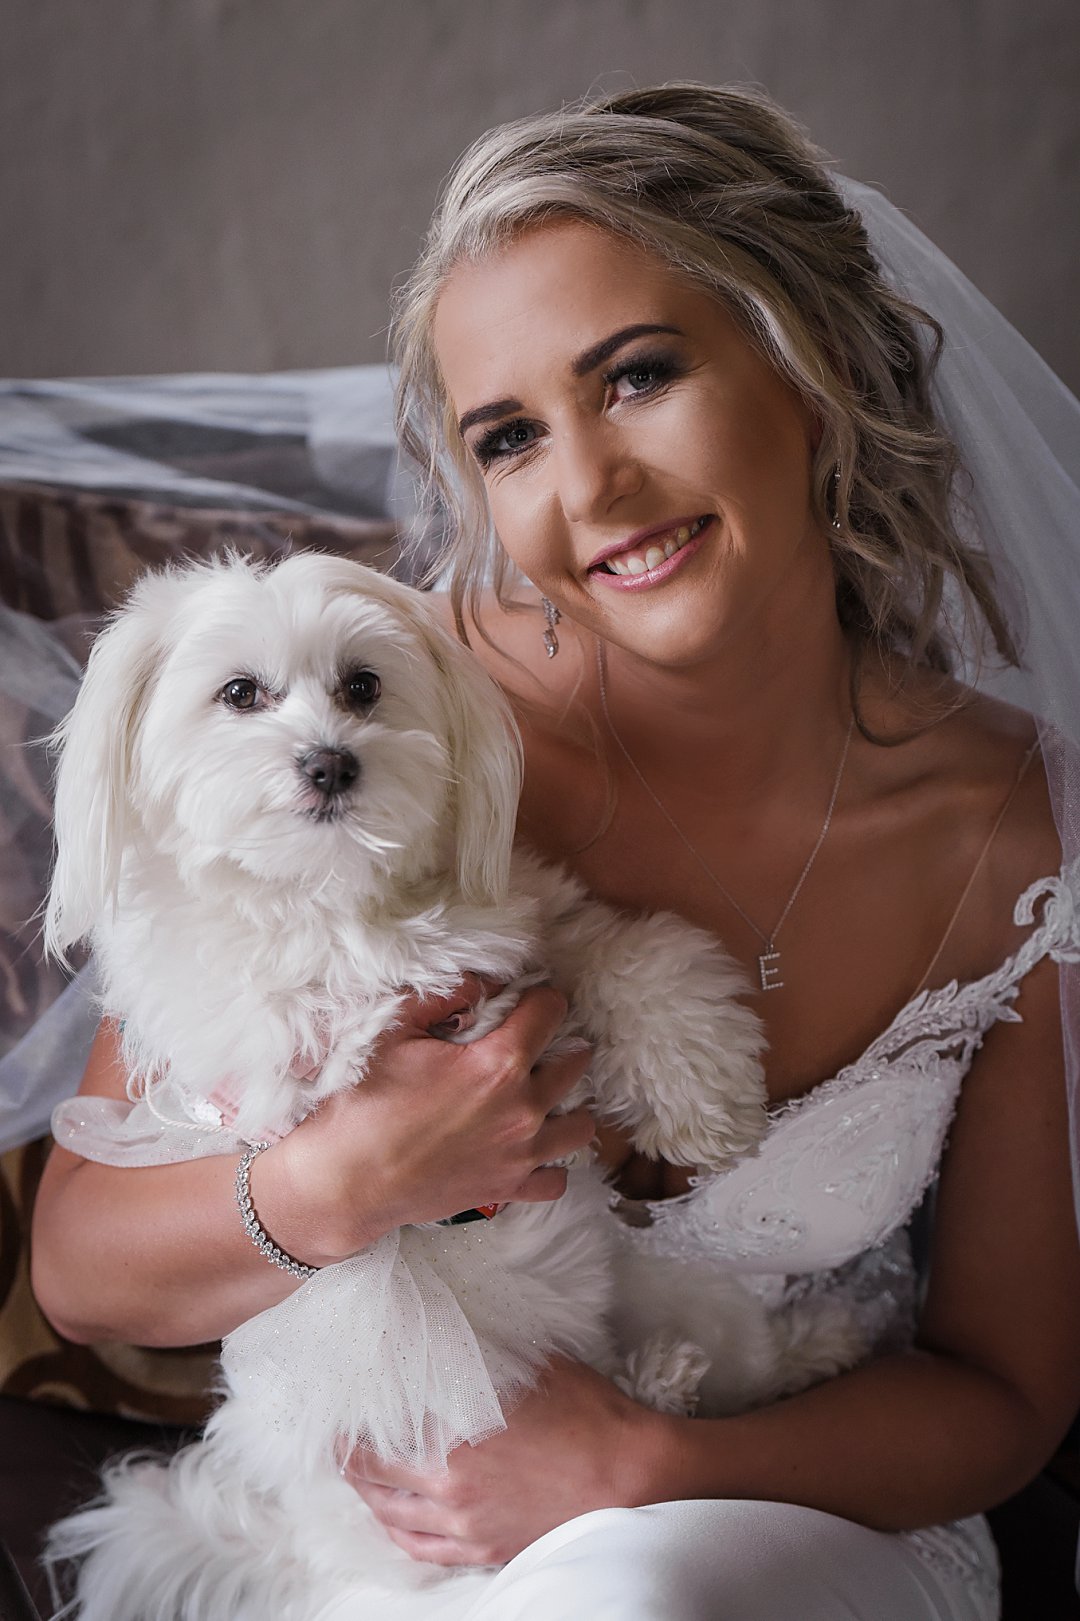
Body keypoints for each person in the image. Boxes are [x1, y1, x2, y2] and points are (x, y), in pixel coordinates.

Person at [31, 84, 1080, 1620]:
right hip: (398, 1540)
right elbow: (79, 1264)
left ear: (814, 366)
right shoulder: (395, 722)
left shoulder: (1017, 834)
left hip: (796, 1526)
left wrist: (640, 1463)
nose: (587, 487)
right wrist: (329, 1184)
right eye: (510, 438)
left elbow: (1007, 1397)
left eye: (638, 377)